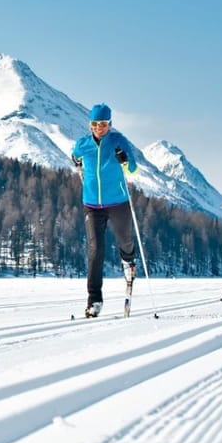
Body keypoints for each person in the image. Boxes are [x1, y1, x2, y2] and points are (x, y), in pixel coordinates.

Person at [71, 103, 138, 318]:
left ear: (110, 124)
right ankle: (94, 300)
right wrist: (76, 161)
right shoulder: (83, 144)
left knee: (125, 241)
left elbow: (133, 169)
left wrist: (124, 160)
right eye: (95, 124)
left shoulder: (118, 141)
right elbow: (75, 156)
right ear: (90, 125)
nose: (99, 128)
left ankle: (128, 263)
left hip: (118, 202)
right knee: (95, 251)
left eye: (103, 124)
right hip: (92, 204)